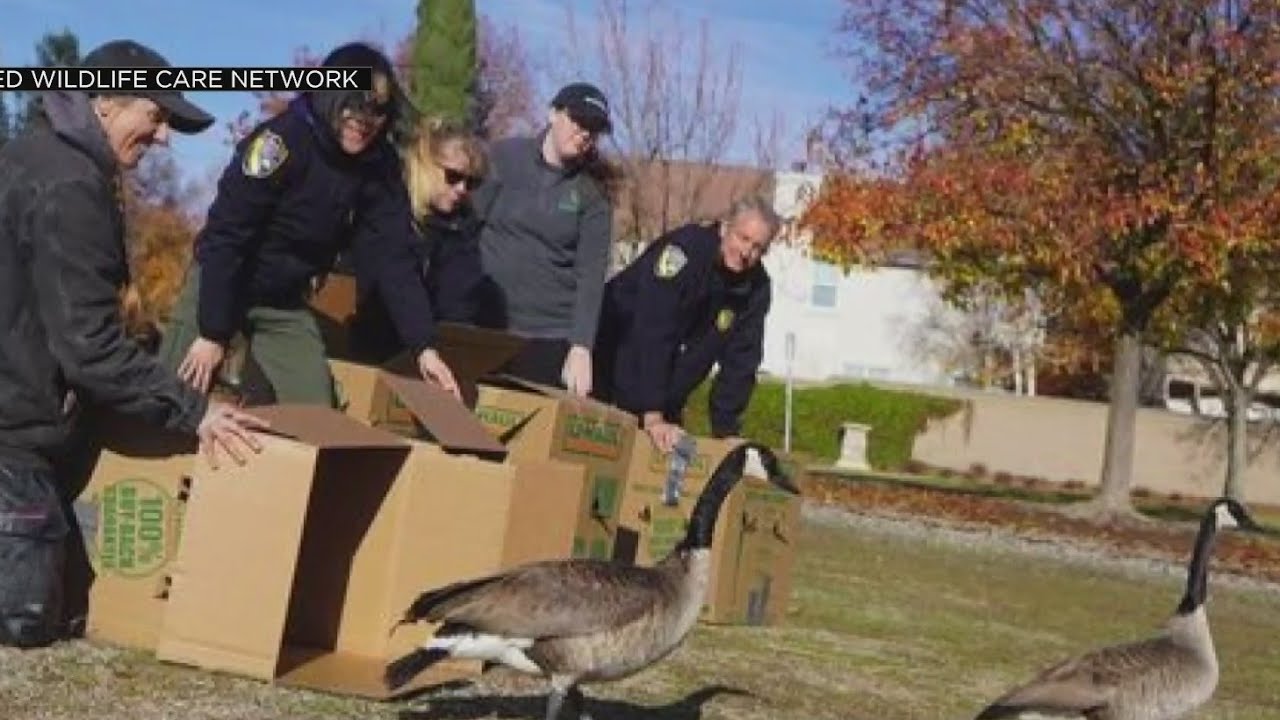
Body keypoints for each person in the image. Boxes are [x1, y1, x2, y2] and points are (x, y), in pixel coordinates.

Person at [0, 39, 267, 648]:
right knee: (29, 618)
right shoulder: (68, 185)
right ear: (106, 104)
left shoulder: (36, 157)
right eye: (158, 115)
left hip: (26, 425)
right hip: (11, 442)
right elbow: (90, 348)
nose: (165, 136)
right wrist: (196, 411)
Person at [158, 42, 460, 404]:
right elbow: (227, 236)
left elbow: (394, 257)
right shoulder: (280, 142)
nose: (363, 121)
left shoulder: (378, 167)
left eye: (376, 112)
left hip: (283, 300)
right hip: (225, 281)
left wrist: (423, 346)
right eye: (352, 105)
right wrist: (212, 332)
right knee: (172, 399)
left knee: (316, 412)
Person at [591, 196, 780, 452]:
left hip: (663, 394)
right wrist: (653, 414)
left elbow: (742, 361)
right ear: (725, 228)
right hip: (608, 362)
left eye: (758, 247)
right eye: (742, 238)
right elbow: (653, 328)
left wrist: (726, 432)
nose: (746, 253)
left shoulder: (756, 289)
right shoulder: (685, 250)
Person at [470, 82, 620, 396]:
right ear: (553, 114)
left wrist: (581, 347)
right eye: (578, 122)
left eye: (594, 130)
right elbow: (467, 228)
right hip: (486, 322)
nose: (584, 135)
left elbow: (591, 275)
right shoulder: (504, 157)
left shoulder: (593, 191)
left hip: (548, 336)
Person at [349, 115, 488, 363]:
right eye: (453, 176)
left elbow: (459, 303)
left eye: (472, 182)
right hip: (367, 335)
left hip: (426, 348)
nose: (462, 190)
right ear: (425, 164)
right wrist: (424, 345)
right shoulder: (388, 207)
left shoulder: (462, 226)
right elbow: (396, 276)